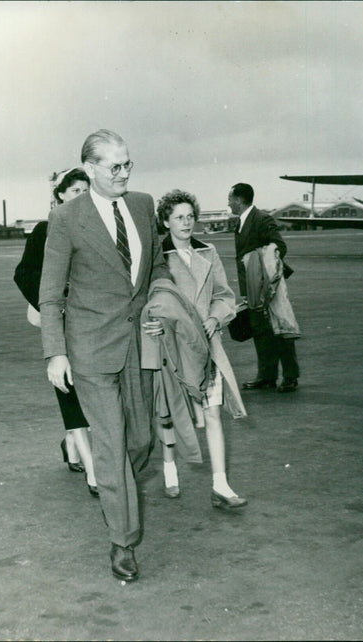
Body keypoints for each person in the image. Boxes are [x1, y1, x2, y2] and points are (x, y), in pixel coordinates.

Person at [39, 130, 170, 582]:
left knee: (141, 442)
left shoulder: (143, 205)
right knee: (111, 445)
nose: (124, 173)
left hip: (139, 343)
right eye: (115, 167)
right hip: (90, 347)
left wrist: (159, 307)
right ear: (89, 168)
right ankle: (122, 539)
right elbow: (50, 293)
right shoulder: (67, 218)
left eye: (128, 164)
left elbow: (157, 268)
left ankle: (118, 493)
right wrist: (55, 353)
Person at [147, 189, 248, 507]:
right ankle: (169, 467)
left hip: (207, 346)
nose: (186, 222)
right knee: (168, 413)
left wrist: (216, 318)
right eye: (179, 217)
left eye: (190, 216)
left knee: (213, 413)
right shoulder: (158, 259)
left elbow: (224, 294)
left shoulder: (209, 252)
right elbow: (151, 302)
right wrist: (155, 324)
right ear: (165, 221)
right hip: (172, 346)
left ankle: (221, 485)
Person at [14, 168, 97, 494]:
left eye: (85, 190)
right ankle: (93, 470)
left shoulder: (95, 226)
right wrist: (52, 302)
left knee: (90, 387)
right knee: (69, 390)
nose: (81, 196)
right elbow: (23, 273)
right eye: (75, 190)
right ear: (60, 194)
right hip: (61, 322)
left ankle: (71, 443)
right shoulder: (45, 230)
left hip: (93, 320)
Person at [230, 183, 300, 392]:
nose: (228, 203)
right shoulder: (241, 222)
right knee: (260, 332)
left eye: (230, 199)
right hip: (251, 290)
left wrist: (260, 270)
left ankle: (290, 376)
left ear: (239, 200)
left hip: (267, 289)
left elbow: (279, 245)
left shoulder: (261, 219)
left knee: (280, 331)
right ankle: (266, 376)